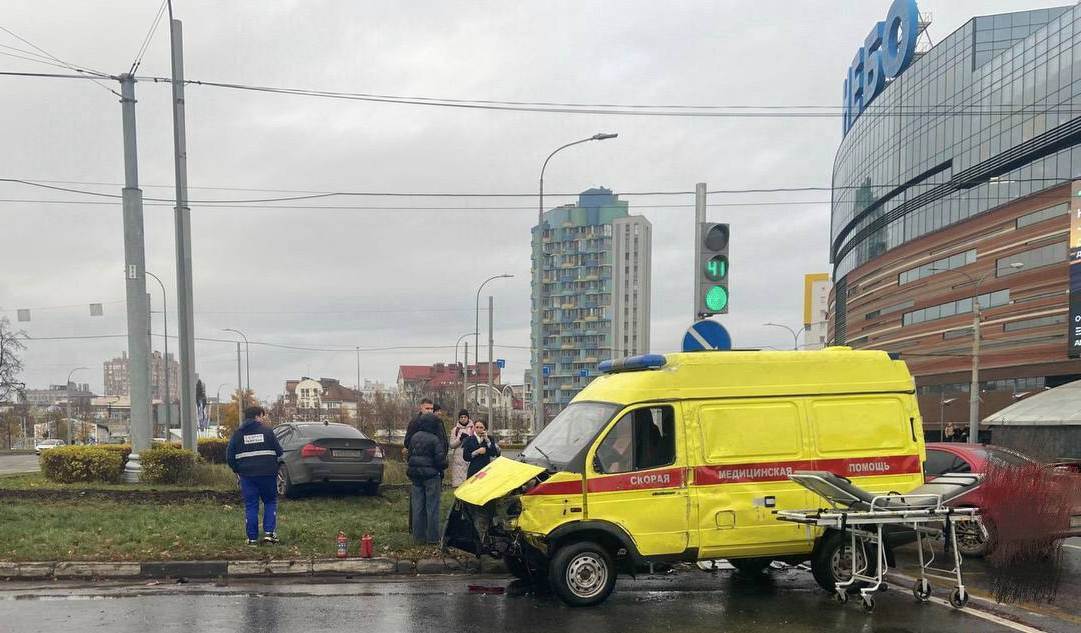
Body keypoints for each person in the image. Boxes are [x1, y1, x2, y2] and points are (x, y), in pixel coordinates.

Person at [226, 406, 284, 545]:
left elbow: (229, 456)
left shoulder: (238, 434)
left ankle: (252, 539)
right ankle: (269, 534)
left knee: (251, 505)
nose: (263, 419)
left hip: (247, 476)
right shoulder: (267, 432)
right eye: (262, 416)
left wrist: (237, 470)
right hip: (268, 474)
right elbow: (280, 451)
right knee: (270, 502)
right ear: (257, 416)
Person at [406, 412, 448, 544]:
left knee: (418, 507)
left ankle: (418, 538)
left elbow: (409, 457)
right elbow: (440, 461)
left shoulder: (414, 437)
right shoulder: (434, 439)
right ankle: (433, 538)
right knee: (432, 507)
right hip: (431, 477)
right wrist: (445, 465)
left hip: (415, 476)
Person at [448, 409, 475, 486]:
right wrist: (460, 439)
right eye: (461, 417)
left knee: (470, 484)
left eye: (465, 417)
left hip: (470, 459)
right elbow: (452, 445)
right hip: (458, 461)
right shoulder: (455, 430)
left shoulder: (473, 428)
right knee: (459, 486)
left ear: (468, 418)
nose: (463, 419)